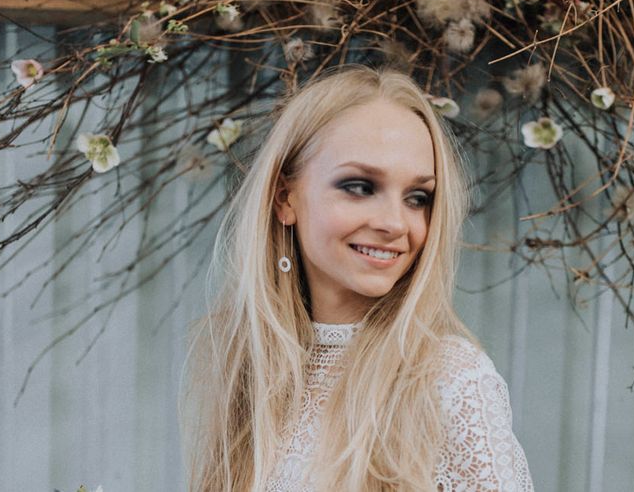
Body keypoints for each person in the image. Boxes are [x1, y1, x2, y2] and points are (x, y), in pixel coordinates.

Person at [183, 66, 534, 492]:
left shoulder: (449, 379)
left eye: (417, 197)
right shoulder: (249, 366)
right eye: (360, 186)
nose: (394, 223)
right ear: (285, 198)